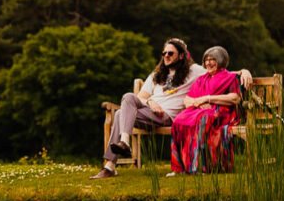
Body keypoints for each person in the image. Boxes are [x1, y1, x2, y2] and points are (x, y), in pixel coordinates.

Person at [92, 39, 252, 180]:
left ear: (181, 55)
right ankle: (115, 158)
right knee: (124, 104)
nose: (166, 56)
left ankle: (112, 161)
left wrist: (245, 71)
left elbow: (221, 71)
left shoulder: (193, 71)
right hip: (149, 112)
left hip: (166, 116)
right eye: (164, 53)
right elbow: (139, 97)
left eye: (170, 53)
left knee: (121, 113)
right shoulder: (156, 75)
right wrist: (150, 102)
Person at [169, 46, 245, 175]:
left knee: (203, 119)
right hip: (199, 110)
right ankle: (180, 167)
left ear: (221, 60)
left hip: (221, 112)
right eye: (206, 60)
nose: (208, 63)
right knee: (178, 121)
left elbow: (235, 98)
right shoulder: (201, 79)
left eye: (212, 59)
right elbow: (187, 100)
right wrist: (198, 103)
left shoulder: (231, 77)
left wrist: (208, 99)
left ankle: (199, 166)